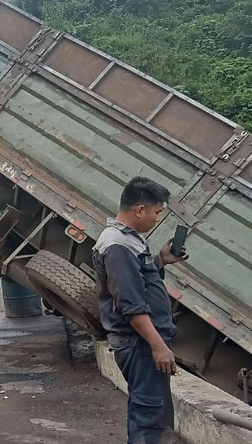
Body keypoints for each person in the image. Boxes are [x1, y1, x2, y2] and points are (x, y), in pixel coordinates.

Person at [92, 177, 188, 444]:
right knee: (151, 418)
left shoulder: (127, 240)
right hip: (140, 344)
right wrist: (158, 345)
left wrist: (161, 260)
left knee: (150, 411)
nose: (157, 219)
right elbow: (131, 305)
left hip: (141, 343)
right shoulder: (117, 246)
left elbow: (137, 281)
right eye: (157, 212)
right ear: (139, 210)